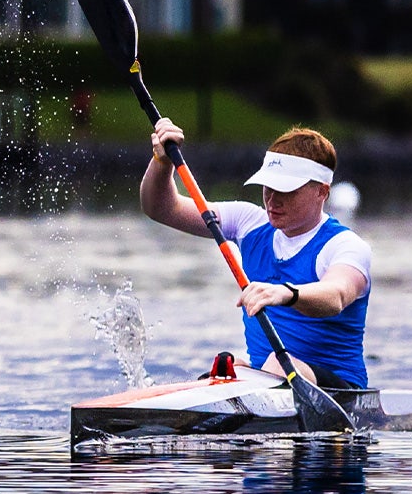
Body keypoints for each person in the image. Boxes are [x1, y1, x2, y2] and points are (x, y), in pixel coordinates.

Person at [139, 122, 369, 387]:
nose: (272, 200)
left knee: (278, 364)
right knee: (227, 365)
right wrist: (161, 162)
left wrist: (286, 293)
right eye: (268, 187)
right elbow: (161, 208)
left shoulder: (346, 246)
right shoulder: (249, 222)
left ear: (322, 192)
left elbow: (337, 296)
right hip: (270, 381)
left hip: (339, 392)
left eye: (286, 191)